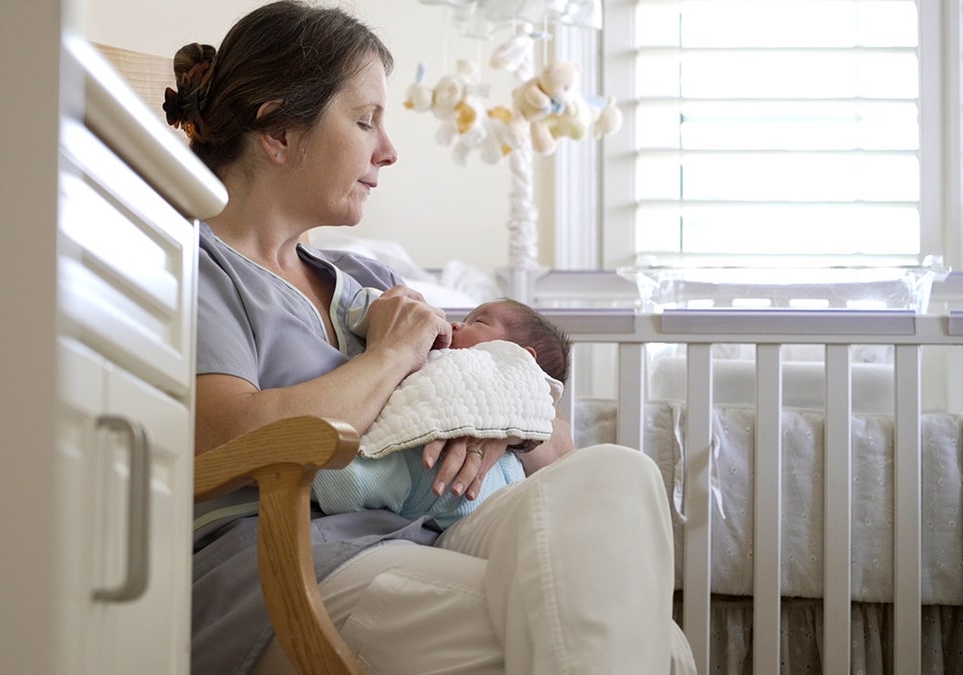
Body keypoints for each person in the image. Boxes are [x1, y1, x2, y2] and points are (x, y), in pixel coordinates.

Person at [167, 3, 688, 673]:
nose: (387, 150)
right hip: (291, 561)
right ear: (278, 131)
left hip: (433, 532)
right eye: (364, 121)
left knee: (622, 471)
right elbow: (227, 436)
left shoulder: (364, 276)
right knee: (640, 641)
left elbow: (558, 449)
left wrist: (498, 419)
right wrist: (389, 356)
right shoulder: (200, 270)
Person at [312, 298, 574, 528]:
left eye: (478, 322)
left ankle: (321, 478)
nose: (456, 325)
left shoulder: (505, 378)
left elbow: (562, 445)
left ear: (520, 358)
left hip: (469, 492)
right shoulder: (431, 352)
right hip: (430, 484)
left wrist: (503, 420)